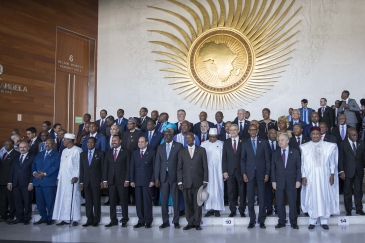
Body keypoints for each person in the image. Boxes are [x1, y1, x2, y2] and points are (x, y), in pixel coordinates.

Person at [301, 127, 339, 230]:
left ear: (320, 135)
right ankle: (312, 220)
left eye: (317, 133)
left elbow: (332, 162)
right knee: (312, 197)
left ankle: (324, 221)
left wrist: (332, 175)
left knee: (324, 196)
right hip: (311, 177)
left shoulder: (328, 146)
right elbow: (303, 164)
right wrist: (303, 176)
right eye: (313, 134)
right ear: (310, 135)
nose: (315, 135)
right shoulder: (305, 147)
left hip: (324, 177)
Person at [241, 124, 270, 229]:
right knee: (251, 198)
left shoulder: (264, 142)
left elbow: (267, 160)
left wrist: (267, 173)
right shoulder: (245, 143)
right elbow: (242, 160)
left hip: (262, 173)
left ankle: (262, 220)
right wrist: (244, 173)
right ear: (248, 131)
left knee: (262, 197)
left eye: (254, 130)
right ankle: (252, 220)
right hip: (249, 174)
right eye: (251, 130)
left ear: (257, 131)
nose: (253, 132)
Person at [178, 133, 208, 230]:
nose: (188, 139)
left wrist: (205, 180)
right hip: (186, 182)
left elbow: (205, 167)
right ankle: (190, 222)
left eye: (190, 138)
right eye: (186, 138)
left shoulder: (201, 150)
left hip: (198, 181)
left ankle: (197, 222)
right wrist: (180, 182)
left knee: (198, 203)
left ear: (194, 138)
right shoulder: (182, 151)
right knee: (188, 203)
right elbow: (179, 168)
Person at [271, 134, 301, 229]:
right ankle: (282, 221)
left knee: (292, 203)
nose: (280, 142)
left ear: (288, 141)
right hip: (279, 181)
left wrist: (298, 180)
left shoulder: (295, 152)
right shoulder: (275, 153)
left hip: (292, 181)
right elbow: (273, 169)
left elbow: (299, 167)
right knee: (279, 203)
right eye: (279, 140)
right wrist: (273, 181)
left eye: (282, 140)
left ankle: (293, 222)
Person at [155, 130, 183, 229]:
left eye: (168, 135)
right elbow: (157, 163)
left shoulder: (178, 146)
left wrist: (180, 178)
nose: (166, 136)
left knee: (175, 199)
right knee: (164, 200)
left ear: (172, 136)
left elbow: (180, 163)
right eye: (165, 135)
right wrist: (156, 177)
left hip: (174, 176)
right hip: (163, 177)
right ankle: (165, 221)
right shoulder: (160, 147)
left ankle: (176, 221)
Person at [53, 133, 83, 226]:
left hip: (72, 178)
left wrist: (76, 176)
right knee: (63, 198)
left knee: (73, 198)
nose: (63, 141)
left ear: (69, 140)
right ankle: (65, 218)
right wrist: (58, 178)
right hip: (63, 178)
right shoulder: (64, 151)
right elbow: (61, 166)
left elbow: (79, 165)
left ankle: (75, 219)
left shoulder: (78, 150)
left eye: (65, 140)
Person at [79, 137, 107, 227]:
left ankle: (96, 220)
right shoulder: (82, 154)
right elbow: (81, 169)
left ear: (95, 143)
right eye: (88, 142)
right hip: (86, 182)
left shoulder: (100, 154)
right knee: (88, 202)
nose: (89, 144)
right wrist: (81, 182)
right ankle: (89, 219)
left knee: (96, 202)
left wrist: (103, 180)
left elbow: (103, 168)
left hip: (96, 181)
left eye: (91, 142)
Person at [32, 138, 61, 225]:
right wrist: (34, 173)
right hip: (38, 181)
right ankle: (43, 217)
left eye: (49, 143)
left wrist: (44, 174)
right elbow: (33, 164)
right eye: (46, 144)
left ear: (53, 145)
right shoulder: (40, 154)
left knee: (50, 201)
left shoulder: (57, 154)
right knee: (40, 202)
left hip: (49, 181)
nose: (47, 145)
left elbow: (56, 166)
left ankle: (51, 217)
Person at [104, 135, 131, 228]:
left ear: (120, 141)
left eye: (116, 140)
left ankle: (124, 219)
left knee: (123, 201)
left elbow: (128, 167)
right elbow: (105, 167)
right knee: (112, 201)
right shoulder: (108, 152)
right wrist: (104, 180)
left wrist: (127, 179)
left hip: (122, 181)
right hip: (111, 181)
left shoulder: (126, 152)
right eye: (112, 140)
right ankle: (113, 220)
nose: (114, 142)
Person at [7, 142, 36, 225]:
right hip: (16, 183)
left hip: (26, 183)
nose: (22, 149)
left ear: (28, 148)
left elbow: (33, 171)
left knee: (27, 201)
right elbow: (12, 171)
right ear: (18, 148)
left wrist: (31, 182)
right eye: (20, 147)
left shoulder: (32, 157)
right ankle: (19, 217)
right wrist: (10, 182)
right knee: (17, 201)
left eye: (24, 147)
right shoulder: (16, 158)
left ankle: (27, 218)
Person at [338, 128, 365, 216]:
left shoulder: (361, 143)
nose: (355, 137)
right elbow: (340, 158)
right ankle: (348, 210)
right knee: (347, 191)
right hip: (347, 171)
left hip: (359, 171)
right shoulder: (343, 144)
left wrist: (364, 169)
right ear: (348, 135)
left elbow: (363, 158)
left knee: (358, 191)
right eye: (353, 135)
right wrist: (341, 171)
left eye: (356, 135)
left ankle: (359, 209)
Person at [130, 137, 156, 228]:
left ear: (146, 143)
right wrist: (132, 180)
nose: (140, 143)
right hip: (137, 181)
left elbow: (154, 168)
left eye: (142, 142)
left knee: (147, 202)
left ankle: (148, 220)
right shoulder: (135, 153)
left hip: (147, 181)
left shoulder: (152, 152)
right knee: (139, 202)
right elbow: (132, 167)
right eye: (139, 142)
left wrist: (153, 180)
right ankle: (140, 220)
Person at [222, 124, 246, 217]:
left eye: (234, 130)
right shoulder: (226, 142)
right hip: (230, 171)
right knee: (231, 191)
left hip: (241, 170)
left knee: (242, 191)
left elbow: (246, 157)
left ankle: (242, 210)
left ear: (238, 130)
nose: (233, 131)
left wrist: (245, 171)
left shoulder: (243, 141)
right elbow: (224, 158)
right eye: (231, 130)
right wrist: (225, 171)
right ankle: (232, 210)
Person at [201, 128, 224, 217]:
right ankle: (209, 209)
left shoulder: (221, 144)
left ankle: (217, 208)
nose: (213, 139)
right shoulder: (203, 144)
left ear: (217, 136)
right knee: (208, 189)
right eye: (211, 137)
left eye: (214, 137)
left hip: (219, 170)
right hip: (207, 171)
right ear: (208, 136)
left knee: (218, 188)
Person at [0, 140, 19, 222]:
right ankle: (3, 216)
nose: (6, 146)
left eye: (8, 144)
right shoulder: (4, 154)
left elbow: (14, 169)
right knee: (3, 200)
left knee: (11, 200)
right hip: (2, 181)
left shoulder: (16, 154)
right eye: (5, 144)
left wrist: (10, 181)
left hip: (10, 181)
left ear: (13, 145)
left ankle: (11, 216)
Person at [266, 128, 280, 215]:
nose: (273, 135)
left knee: (278, 191)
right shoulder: (263, 144)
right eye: (271, 133)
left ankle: (278, 208)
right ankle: (269, 208)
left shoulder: (280, 144)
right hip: (267, 172)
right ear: (268, 135)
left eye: (275, 133)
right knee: (267, 191)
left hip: (278, 172)